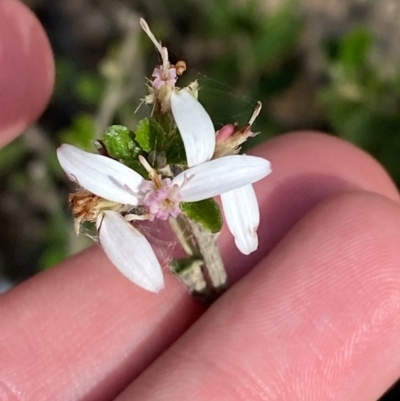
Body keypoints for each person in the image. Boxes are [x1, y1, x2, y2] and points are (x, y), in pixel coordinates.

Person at [1, 0, 400, 399]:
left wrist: (174, 114)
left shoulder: (196, 170)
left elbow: (233, 182)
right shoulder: (164, 181)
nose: (162, 195)